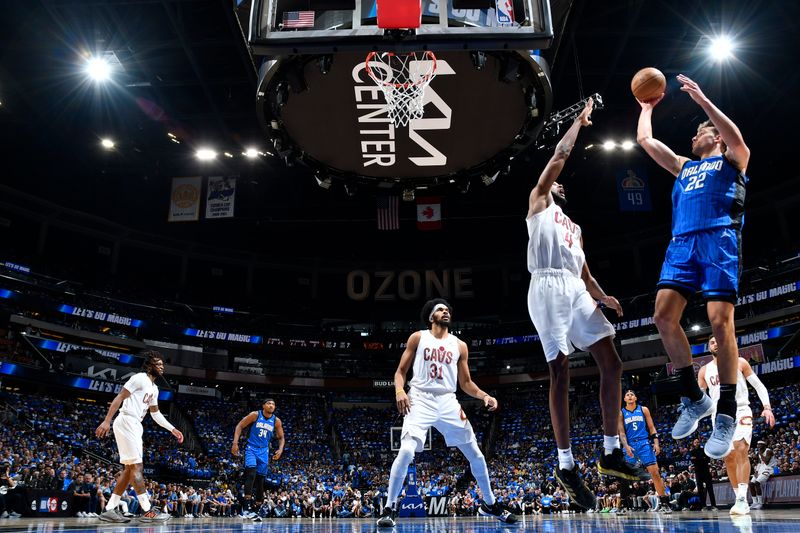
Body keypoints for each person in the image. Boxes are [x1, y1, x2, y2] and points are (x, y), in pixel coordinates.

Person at [526, 97, 645, 510]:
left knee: (611, 362)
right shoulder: (539, 201)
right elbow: (560, 155)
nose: (559, 182)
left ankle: (611, 451)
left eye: (560, 183)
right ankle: (565, 463)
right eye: (556, 180)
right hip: (544, 287)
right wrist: (577, 123)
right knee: (560, 371)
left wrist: (602, 295)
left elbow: (586, 275)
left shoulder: (574, 228)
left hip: (575, 290)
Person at [637, 74, 751, 459]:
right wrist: (646, 109)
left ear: (713, 136)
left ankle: (725, 415)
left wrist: (703, 102)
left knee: (721, 322)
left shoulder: (733, 158)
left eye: (699, 134)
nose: (691, 139)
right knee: (663, 318)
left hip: (718, 240)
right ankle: (694, 397)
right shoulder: (685, 166)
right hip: (682, 243)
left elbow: (735, 137)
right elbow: (645, 142)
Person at [376, 298, 516, 527]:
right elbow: (400, 371)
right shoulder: (418, 337)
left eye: (447, 309)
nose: (446, 312)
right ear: (431, 316)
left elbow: (467, 383)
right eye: (440, 309)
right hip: (419, 397)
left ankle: (490, 504)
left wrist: (485, 396)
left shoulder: (459, 345)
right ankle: (390, 507)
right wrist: (399, 391)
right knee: (406, 452)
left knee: (476, 454)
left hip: (448, 401)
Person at [95, 350, 183, 523]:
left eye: (162, 364)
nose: (162, 367)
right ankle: (147, 511)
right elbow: (120, 396)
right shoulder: (139, 378)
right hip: (127, 420)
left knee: (129, 471)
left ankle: (109, 509)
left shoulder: (155, 388)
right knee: (137, 468)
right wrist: (106, 421)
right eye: (158, 364)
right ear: (150, 366)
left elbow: (156, 414)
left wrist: (172, 429)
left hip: (135, 424)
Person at [698, 334, 775, 514]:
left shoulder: (740, 362)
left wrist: (767, 407)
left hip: (741, 410)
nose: (716, 343)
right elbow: (701, 400)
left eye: (718, 340)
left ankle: (742, 498)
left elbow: (759, 386)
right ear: (708, 347)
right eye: (712, 342)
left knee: (741, 448)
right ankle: (738, 499)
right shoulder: (704, 371)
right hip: (719, 416)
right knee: (729, 457)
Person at [618, 390, 671, 513]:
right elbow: (621, 433)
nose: (630, 396)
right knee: (625, 476)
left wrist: (656, 443)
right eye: (627, 395)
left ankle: (664, 503)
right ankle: (623, 505)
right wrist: (626, 446)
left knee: (655, 473)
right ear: (624, 399)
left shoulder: (644, 409)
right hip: (630, 445)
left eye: (632, 394)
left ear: (635, 398)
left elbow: (652, 428)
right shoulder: (621, 413)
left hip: (644, 443)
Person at [232, 398, 284, 522]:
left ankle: (256, 508)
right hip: (251, 448)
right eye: (269, 403)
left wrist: (280, 449)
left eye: (273, 404)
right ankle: (246, 508)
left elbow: (281, 437)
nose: (271, 405)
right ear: (263, 406)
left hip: (264, 451)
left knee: (261, 480)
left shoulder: (276, 421)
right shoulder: (255, 415)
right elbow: (239, 425)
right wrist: (235, 443)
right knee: (251, 474)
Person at [689, 438, 717, 511]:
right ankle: (703, 506)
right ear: (693, 444)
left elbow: (707, 460)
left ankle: (713, 505)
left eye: (698, 442)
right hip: (698, 473)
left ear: (699, 443)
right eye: (695, 442)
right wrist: (701, 458)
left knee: (710, 489)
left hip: (706, 472)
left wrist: (697, 459)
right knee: (700, 490)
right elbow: (693, 461)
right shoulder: (692, 452)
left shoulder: (704, 450)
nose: (697, 443)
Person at [750, 440, 778, 510]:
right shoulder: (760, 453)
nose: (758, 446)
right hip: (762, 469)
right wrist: (756, 471)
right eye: (757, 444)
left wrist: (760, 453)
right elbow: (760, 463)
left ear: (764, 445)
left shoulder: (768, 451)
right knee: (751, 484)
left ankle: (760, 503)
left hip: (770, 468)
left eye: (759, 444)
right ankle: (754, 502)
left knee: (757, 483)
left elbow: (766, 461)